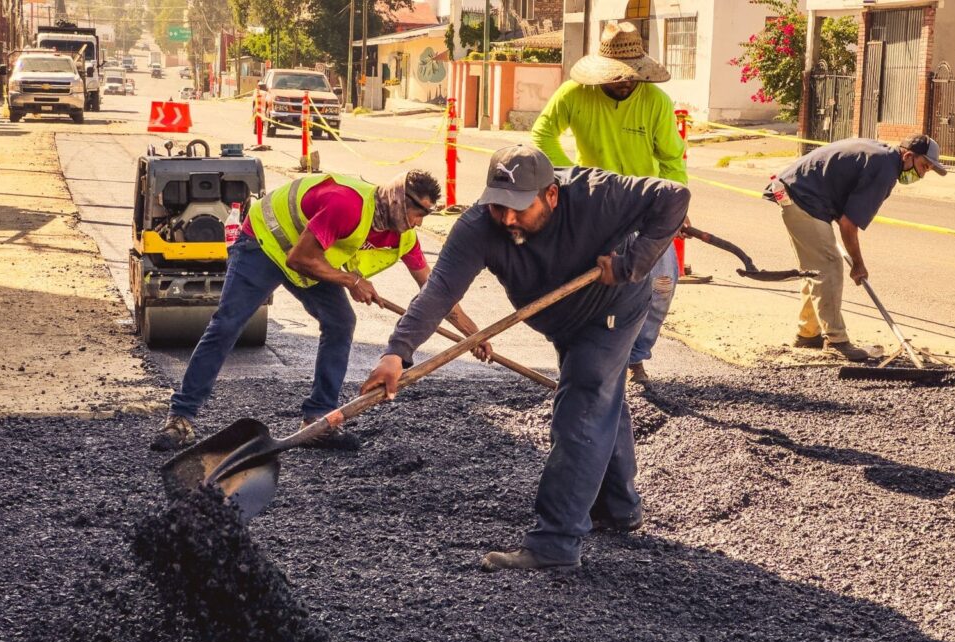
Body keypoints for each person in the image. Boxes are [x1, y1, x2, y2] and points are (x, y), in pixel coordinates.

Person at [361, 146, 689, 571]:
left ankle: (555, 543)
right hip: (559, 319)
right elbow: (440, 290)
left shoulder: (598, 195)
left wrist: (632, 263)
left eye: (519, 207)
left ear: (551, 195)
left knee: (584, 397)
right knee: (603, 395)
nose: (508, 219)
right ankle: (619, 506)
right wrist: (396, 353)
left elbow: (674, 197)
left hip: (611, 309)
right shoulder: (479, 226)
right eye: (499, 207)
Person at [151, 170, 485, 451]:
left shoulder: (403, 239)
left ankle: (318, 419)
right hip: (266, 244)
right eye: (416, 212)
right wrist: (352, 281)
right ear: (398, 200)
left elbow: (436, 293)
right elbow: (298, 258)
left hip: (311, 258)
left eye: (425, 215)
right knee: (228, 324)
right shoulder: (348, 206)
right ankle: (181, 417)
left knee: (340, 322)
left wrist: (474, 335)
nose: (417, 222)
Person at [531, 19, 687, 386]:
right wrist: (574, 178)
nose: (625, 81)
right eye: (617, 75)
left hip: (646, 206)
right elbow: (542, 135)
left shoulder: (656, 103)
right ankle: (580, 355)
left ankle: (635, 358)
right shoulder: (574, 94)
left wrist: (676, 207)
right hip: (594, 207)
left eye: (631, 74)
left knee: (662, 281)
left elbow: (671, 160)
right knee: (590, 284)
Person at [767, 134, 948, 362]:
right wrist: (858, 265)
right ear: (909, 156)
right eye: (923, 167)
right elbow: (848, 224)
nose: (921, 175)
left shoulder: (882, 155)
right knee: (829, 266)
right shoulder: (884, 170)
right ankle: (836, 340)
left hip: (794, 191)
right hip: (802, 197)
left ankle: (808, 332)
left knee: (815, 268)